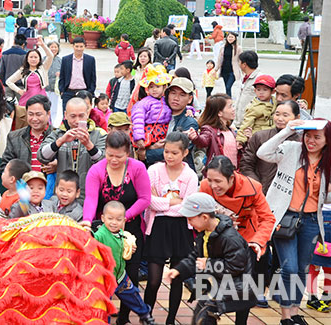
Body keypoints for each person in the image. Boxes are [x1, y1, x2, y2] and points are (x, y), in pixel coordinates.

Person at [257, 119, 331, 325]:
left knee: (303, 268)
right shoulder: (291, 149)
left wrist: (323, 197)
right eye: (308, 135)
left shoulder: (329, 163)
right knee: (289, 268)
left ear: (327, 139)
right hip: (285, 219)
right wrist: (288, 130)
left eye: (317, 137)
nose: (311, 141)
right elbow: (262, 153)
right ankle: (285, 316)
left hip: (311, 222)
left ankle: (295, 312)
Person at [82, 131, 150, 324]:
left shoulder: (137, 168)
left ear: (128, 153)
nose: (113, 159)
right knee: (103, 276)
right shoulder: (96, 170)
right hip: (104, 233)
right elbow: (91, 199)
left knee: (131, 275)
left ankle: (125, 317)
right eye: (109, 154)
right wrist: (87, 221)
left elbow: (145, 199)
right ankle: (102, 316)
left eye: (119, 156)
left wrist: (123, 218)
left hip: (131, 231)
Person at [165, 193, 256, 325]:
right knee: (203, 313)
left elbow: (236, 266)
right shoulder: (204, 234)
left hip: (238, 287)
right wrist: (179, 269)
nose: (189, 223)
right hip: (220, 283)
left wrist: (208, 264)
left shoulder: (230, 238)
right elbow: (195, 258)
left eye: (190, 219)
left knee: (205, 312)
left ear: (204, 217)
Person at [143, 132, 198, 325]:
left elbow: (188, 207)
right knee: (153, 280)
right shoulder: (154, 170)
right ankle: (146, 316)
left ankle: (171, 320)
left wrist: (163, 203)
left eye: (174, 152)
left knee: (177, 279)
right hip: (157, 228)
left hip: (181, 230)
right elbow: (148, 201)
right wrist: (175, 201)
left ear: (185, 153)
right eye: (166, 151)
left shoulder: (191, 175)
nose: (169, 156)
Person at [93, 201, 155, 325]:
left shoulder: (122, 234)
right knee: (105, 306)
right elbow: (92, 243)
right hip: (105, 278)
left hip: (120, 274)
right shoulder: (100, 234)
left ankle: (145, 314)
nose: (114, 222)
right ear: (103, 218)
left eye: (118, 219)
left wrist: (129, 248)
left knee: (132, 294)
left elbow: (122, 249)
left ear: (124, 221)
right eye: (110, 218)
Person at [39, 97, 106, 192]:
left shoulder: (99, 134)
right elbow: (42, 156)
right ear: (65, 115)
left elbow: (104, 162)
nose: (77, 121)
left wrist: (89, 145)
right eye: (73, 116)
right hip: (63, 194)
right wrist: (60, 141)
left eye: (81, 116)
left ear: (87, 114)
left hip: (89, 193)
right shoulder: (57, 134)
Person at [239, 101, 302, 193]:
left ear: (297, 117)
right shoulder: (260, 136)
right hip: (260, 191)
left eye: (285, 115)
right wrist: (256, 185)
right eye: (277, 114)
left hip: (287, 194)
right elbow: (246, 164)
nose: (280, 119)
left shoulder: (300, 142)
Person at [146, 77, 200, 170]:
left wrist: (146, 154)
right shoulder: (155, 114)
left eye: (182, 95)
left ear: (190, 99)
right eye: (173, 93)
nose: (176, 98)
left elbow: (176, 150)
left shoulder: (190, 123)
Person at [0, 95, 54, 174]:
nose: (34, 119)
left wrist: (58, 166)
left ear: (48, 114)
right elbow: (5, 166)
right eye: (31, 114)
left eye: (38, 114)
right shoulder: (14, 137)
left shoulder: (58, 137)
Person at [131, 64, 173, 157]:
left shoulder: (167, 100)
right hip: (150, 133)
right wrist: (139, 137)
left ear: (164, 87)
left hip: (165, 133)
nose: (154, 90)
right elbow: (138, 120)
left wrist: (190, 110)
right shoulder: (143, 103)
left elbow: (178, 108)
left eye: (157, 87)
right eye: (151, 87)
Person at [188, 93, 237, 172]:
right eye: (230, 106)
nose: (233, 109)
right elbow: (203, 141)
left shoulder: (230, 129)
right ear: (219, 113)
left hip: (233, 174)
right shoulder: (209, 129)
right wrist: (195, 137)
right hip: (218, 174)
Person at [6, 37, 54, 106]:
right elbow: (9, 81)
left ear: (39, 59)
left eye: (35, 57)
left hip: (41, 99)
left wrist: (43, 45)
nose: (33, 59)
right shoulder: (22, 70)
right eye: (31, 57)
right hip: (26, 100)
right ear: (27, 59)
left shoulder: (43, 68)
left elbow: (50, 56)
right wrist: (19, 91)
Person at [236, 74, 276, 147]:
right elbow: (246, 123)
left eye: (265, 89)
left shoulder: (275, 102)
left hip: (272, 135)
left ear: (273, 91)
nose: (261, 92)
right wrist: (241, 139)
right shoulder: (253, 107)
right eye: (258, 89)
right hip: (258, 136)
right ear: (255, 90)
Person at [58, 37, 97, 110]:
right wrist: (62, 90)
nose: (79, 49)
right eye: (77, 46)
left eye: (81, 46)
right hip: (68, 92)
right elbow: (62, 76)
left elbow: (93, 77)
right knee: (67, 116)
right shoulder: (66, 59)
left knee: (83, 115)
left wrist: (90, 92)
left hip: (84, 92)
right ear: (73, 46)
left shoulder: (90, 59)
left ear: (84, 46)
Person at [233, 51, 261, 126]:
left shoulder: (259, 79)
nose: (238, 64)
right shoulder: (244, 77)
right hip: (239, 121)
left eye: (239, 62)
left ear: (244, 64)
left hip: (250, 123)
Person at [0, 33, 27, 100]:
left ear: (14, 42)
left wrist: (3, 82)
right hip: (21, 86)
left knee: (8, 106)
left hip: (8, 84)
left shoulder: (5, 54)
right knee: (22, 106)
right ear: (23, 44)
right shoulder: (25, 55)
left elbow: (1, 71)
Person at [215, 32, 242, 97]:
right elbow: (219, 59)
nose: (230, 38)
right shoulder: (223, 47)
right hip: (224, 70)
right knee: (226, 87)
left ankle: (229, 101)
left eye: (232, 37)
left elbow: (241, 60)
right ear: (226, 38)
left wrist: (244, 71)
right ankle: (228, 101)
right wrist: (216, 69)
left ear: (235, 38)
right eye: (229, 37)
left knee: (228, 86)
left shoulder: (238, 48)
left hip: (233, 71)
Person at [44, 40, 62, 126]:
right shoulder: (43, 59)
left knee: (54, 108)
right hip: (45, 87)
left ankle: (53, 124)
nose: (54, 49)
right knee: (45, 106)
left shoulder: (60, 60)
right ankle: (46, 123)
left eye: (55, 47)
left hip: (55, 88)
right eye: (52, 47)